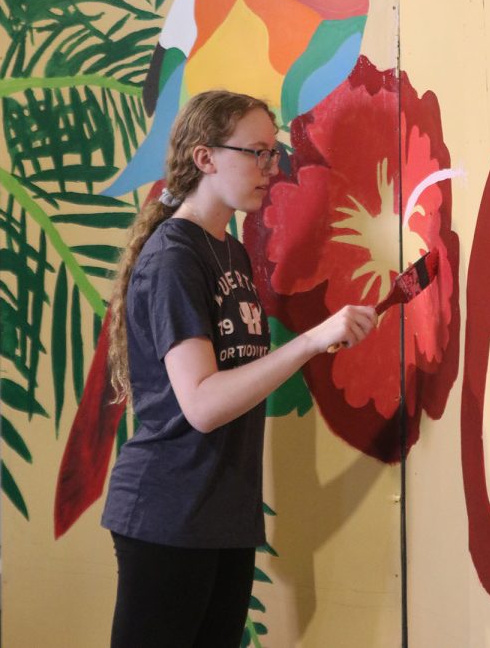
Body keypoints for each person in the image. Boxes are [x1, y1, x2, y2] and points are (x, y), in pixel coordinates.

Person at [101, 89, 377, 648]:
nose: (269, 169)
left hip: (222, 515)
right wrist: (309, 343)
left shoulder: (229, 251)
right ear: (205, 158)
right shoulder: (175, 257)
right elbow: (201, 404)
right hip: (169, 514)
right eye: (255, 152)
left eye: (271, 155)